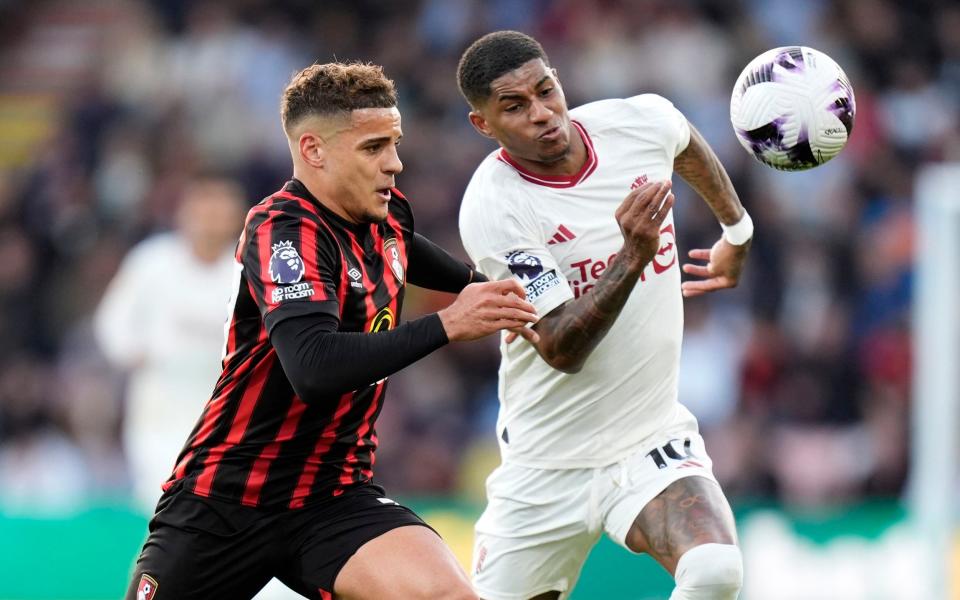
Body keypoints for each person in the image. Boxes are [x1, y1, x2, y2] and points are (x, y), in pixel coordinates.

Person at [126, 61, 539, 600]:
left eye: (394, 143)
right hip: (227, 497)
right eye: (373, 148)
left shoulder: (387, 218)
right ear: (314, 150)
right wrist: (447, 324)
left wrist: (517, 295)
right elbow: (314, 367)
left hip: (333, 495)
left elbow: (443, 270)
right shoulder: (284, 229)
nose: (395, 163)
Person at [457, 31, 752, 600]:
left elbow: (683, 139)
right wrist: (632, 256)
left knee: (715, 571)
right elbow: (561, 348)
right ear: (483, 125)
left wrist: (735, 230)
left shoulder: (635, 124)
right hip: (545, 466)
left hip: (649, 440)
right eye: (514, 107)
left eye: (547, 91)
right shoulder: (496, 207)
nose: (543, 114)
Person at [95, 175, 246, 512]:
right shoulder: (152, 263)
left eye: (220, 209)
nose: (211, 218)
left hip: (224, 414)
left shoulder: (246, 272)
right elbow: (112, 323)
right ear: (185, 211)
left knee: (221, 510)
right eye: (204, 207)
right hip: (160, 409)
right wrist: (134, 351)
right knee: (165, 504)